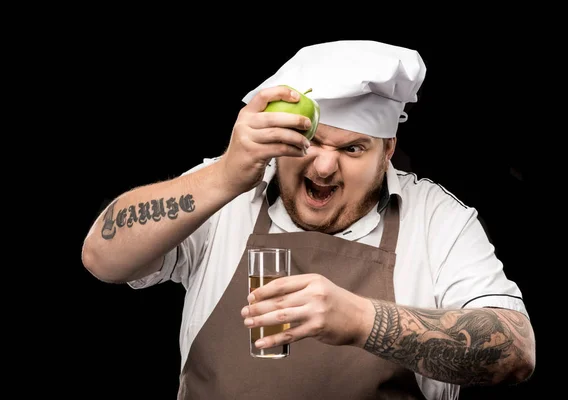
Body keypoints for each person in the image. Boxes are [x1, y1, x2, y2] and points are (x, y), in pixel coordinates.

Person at [81, 40, 536, 400]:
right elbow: (103, 258)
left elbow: (516, 352)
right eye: (308, 141)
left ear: (388, 151)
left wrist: (362, 320)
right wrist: (223, 176)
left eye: (352, 149)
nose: (322, 168)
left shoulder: (438, 220)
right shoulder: (228, 187)